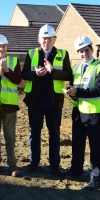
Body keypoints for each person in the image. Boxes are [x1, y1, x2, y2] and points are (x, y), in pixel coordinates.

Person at [21, 24, 72, 176]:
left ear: (54, 39)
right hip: (35, 101)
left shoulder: (63, 54)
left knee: (54, 134)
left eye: (49, 38)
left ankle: (54, 165)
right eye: (44, 38)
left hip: (54, 102)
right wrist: (35, 74)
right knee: (34, 133)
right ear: (39, 39)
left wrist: (53, 71)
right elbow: (24, 74)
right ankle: (34, 163)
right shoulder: (31, 53)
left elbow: (69, 75)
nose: (46, 41)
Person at [64, 36, 100, 190]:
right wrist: (71, 92)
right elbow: (75, 89)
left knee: (95, 147)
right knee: (77, 144)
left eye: (86, 50)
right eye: (81, 51)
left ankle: (96, 179)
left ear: (91, 49)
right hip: (78, 113)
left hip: (95, 114)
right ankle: (76, 170)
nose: (84, 54)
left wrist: (77, 91)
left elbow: (98, 89)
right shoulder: (76, 68)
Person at [0, 34, 22, 176]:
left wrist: (7, 70)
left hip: (9, 105)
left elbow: (18, 80)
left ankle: (12, 164)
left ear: (7, 47)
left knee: (10, 136)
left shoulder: (14, 61)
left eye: (3, 46)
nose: (1, 48)